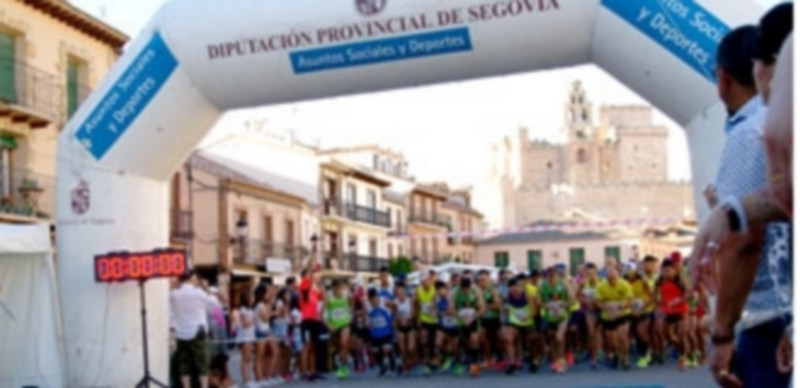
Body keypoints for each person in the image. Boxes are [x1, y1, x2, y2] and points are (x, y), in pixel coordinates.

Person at [690, 19, 792, 388]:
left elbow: (744, 242)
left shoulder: (750, 133)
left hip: (766, 318)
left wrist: (721, 333)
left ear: (723, 78)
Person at [170, 270, 223, 388]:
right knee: (202, 363)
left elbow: (171, 313)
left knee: (184, 364)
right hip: (197, 331)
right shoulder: (198, 293)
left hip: (181, 333)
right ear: (191, 278)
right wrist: (208, 291)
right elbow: (214, 305)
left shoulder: (174, 294)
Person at [596, 266, 632, 370]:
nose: (612, 280)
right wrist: (607, 307)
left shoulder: (625, 285)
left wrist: (619, 307)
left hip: (622, 313)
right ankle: (616, 354)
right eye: (609, 278)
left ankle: (625, 357)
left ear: (618, 276)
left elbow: (630, 300)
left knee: (622, 336)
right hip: (607, 315)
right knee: (612, 341)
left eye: (614, 278)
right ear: (606, 277)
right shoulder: (601, 286)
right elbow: (597, 302)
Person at [502, 276, 538, 375]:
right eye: (512, 288)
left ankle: (533, 360)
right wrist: (503, 314)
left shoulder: (526, 295)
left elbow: (535, 311)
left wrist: (527, 317)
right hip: (514, 321)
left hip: (527, 321)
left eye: (516, 288)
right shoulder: (508, 296)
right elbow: (502, 306)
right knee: (508, 339)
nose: (514, 290)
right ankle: (512, 363)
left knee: (529, 343)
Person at [540, 268, 572, 373]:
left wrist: (563, 306)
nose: (552, 278)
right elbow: (537, 300)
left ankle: (562, 360)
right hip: (549, 315)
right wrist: (547, 306)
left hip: (562, 315)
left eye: (554, 275)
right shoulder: (542, 285)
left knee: (559, 337)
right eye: (550, 276)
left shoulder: (564, 284)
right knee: (552, 339)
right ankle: (556, 360)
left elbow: (572, 297)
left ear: (557, 275)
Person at [453, 275, 486, 376]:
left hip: (473, 319)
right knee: (466, 343)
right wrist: (462, 318)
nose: (466, 291)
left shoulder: (476, 291)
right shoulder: (455, 292)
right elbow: (451, 309)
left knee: (474, 340)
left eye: (467, 289)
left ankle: (475, 365)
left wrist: (473, 317)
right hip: (461, 320)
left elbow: (482, 307)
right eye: (464, 289)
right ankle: (470, 359)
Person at [623, 264, 654, 369]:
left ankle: (647, 353)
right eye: (627, 273)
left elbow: (651, 296)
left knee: (642, 333)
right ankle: (640, 354)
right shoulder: (623, 281)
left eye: (631, 272)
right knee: (633, 334)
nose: (629, 275)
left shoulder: (642, 280)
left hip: (644, 308)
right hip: (630, 310)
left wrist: (642, 308)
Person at [324, 279, 353, 379]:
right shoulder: (328, 298)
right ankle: (342, 361)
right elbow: (321, 315)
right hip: (334, 325)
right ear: (334, 289)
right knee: (338, 347)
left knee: (344, 343)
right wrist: (328, 325)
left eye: (342, 289)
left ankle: (342, 366)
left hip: (345, 323)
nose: (341, 291)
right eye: (339, 289)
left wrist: (350, 314)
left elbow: (352, 304)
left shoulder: (346, 296)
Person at [414, 270, 439, 375]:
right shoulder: (418, 290)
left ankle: (435, 359)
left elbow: (436, 303)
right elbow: (416, 305)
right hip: (424, 318)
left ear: (430, 280)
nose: (426, 284)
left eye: (427, 281)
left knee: (433, 343)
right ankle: (427, 363)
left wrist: (434, 310)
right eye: (423, 282)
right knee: (424, 340)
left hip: (435, 320)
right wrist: (418, 318)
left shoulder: (435, 289)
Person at [367, 287, 396, 376]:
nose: (374, 302)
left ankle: (391, 360)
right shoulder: (367, 305)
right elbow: (366, 316)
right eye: (372, 300)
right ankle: (382, 366)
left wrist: (393, 319)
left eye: (375, 299)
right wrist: (367, 323)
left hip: (386, 331)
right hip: (375, 333)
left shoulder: (384, 302)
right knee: (375, 351)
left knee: (386, 349)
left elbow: (395, 306)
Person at [477, 269, 502, 369]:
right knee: (483, 338)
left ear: (488, 279)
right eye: (480, 280)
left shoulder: (493, 290)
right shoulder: (476, 290)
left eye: (483, 279)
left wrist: (485, 306)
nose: (481, 282)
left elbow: (497, 305)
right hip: (482, 318)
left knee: (495, 339)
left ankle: (498, 356)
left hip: (493, 317)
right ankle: (487, 357)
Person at [232, 290, 257, 387]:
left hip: (251, 336)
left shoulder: (250, 309)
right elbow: (245, 324)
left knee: (250, 358)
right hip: (245, 336)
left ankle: (249, 378)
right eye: (251, 297)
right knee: (245, 359)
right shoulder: (243, 310)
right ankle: (245, 379)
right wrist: (254, 319)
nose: (253, 299)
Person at [579, 263, 602, 369]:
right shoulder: (583, 283)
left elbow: (606, 296)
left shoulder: (601, 282)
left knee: (599, 334)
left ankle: (601, 353)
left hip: (600, 310)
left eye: (592, 273)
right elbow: (578, 296)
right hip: (589, 311)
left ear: (596, 272)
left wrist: (596, 303)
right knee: (591, 333)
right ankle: (594, 357)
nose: (590, 275)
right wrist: (586, 302)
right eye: (588, 273)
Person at [436, 279, 459, 373]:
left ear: (446, 289)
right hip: (443, 323)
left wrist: (445, 312)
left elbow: (452, 311)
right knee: (438, 343)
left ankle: (456, 360)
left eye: (442, 290)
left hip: (454, 323)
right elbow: (434, 310)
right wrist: (437, 312)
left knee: (454, 346)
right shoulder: (436, 298)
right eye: (438, 290)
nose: (441, 292)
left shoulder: (452, 296)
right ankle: (445, 357)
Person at [394, 280, 416, 376]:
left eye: (402, 292)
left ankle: (411, 359)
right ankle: (405, 365)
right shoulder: (395, 303)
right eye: (398, 293)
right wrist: (398, 320)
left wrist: (408, 318)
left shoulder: (409, 301)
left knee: (411, 348)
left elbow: (414, 314)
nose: (400, 295)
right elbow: (394, 316)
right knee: (403, 348)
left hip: (409, 326)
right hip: (400, 327)